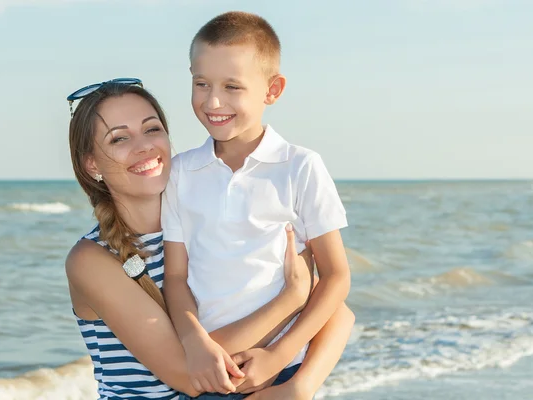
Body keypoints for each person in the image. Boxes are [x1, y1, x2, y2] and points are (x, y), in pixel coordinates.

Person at [64, 80, 355, 400]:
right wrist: (292, 298)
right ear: (91, 163)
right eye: (119, 138)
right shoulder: (92, 259)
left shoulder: (207, 224)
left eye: (152, 129)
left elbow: (337, 312)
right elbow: (190, 374)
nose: (144, 146)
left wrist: (301, 386)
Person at [162, 11, 352, 400]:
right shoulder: (181, 172)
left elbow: (336, 278)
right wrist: (195, 343)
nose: (213, 101)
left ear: (272, 89)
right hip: (208, 374)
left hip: (281, 371)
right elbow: (176, 278)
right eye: (201, 84)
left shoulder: (300, 167)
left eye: (232, 86)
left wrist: (277, 356)